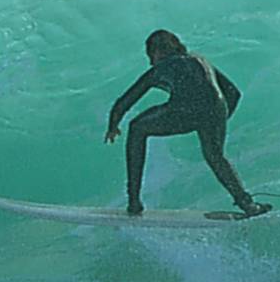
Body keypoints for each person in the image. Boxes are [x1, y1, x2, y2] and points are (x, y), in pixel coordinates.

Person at [104, 29, 269, 218]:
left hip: (184, 110)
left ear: (157, 52)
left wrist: (113, 126)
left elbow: (124, 102)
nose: (150, 61)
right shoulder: (200, 60)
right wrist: (216, 123)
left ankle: (134, 202)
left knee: (137, 128)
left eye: (150, 55)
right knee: (216, 156)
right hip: (215, 109)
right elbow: (233, 92)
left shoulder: (159, 69)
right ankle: (248, 205)